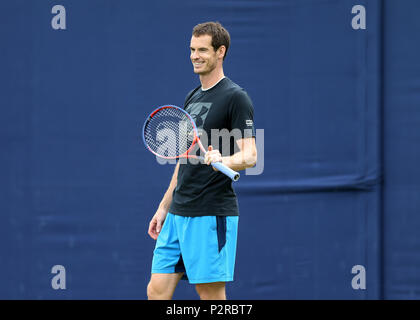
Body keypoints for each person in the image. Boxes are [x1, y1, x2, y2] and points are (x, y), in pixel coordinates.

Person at [146, 21, 257, 300]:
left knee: (209, 294)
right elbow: (184, 160)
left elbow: (251, 156)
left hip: (209, 212)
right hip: (177, 213)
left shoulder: (236, 97)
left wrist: (225, 158)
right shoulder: (192, 97)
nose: (195, 55)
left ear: (221, 52)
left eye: (203, 50)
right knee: (156, 291)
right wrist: (163, 207)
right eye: (192, 49)